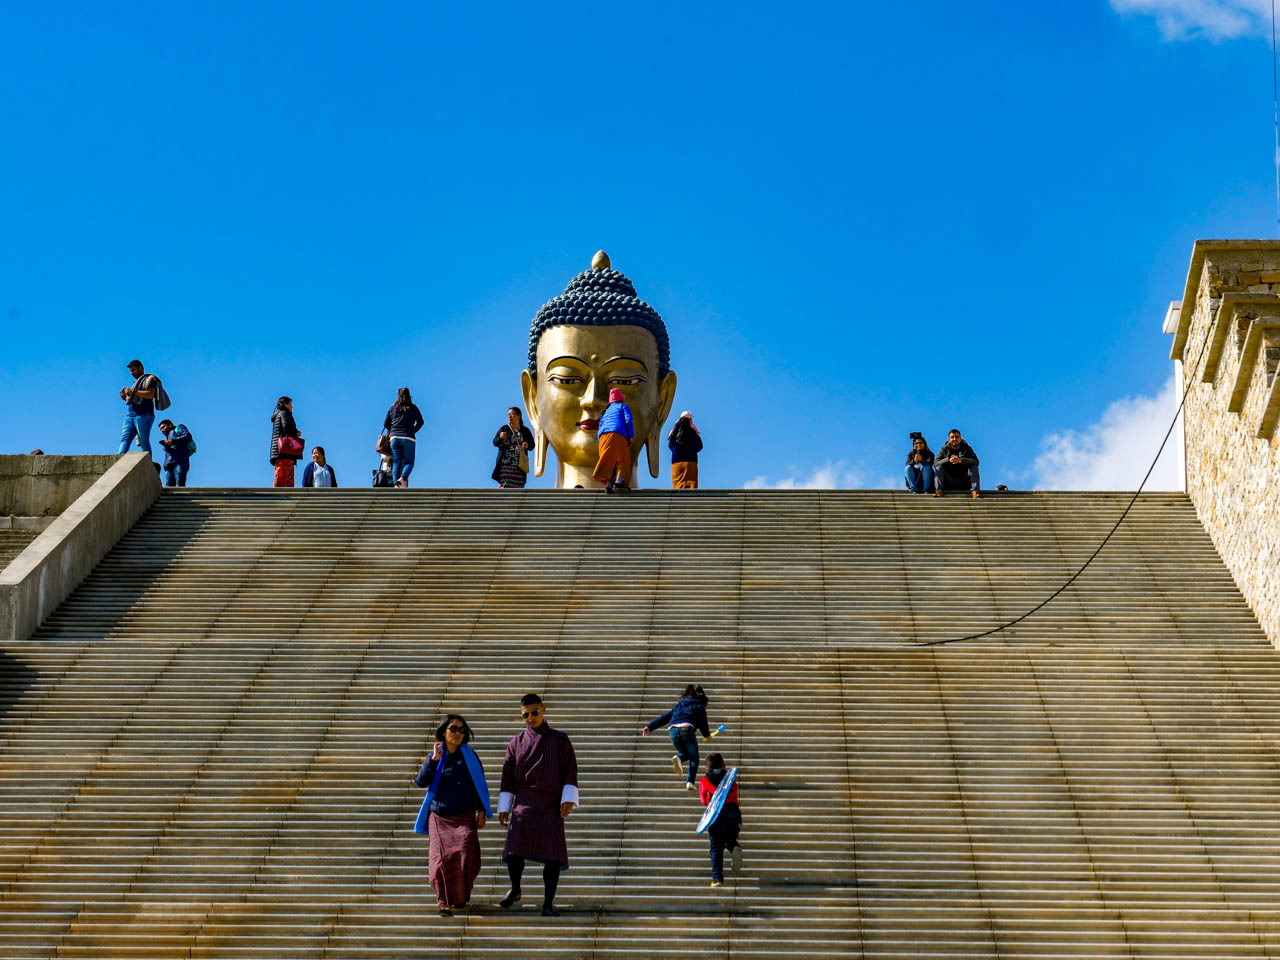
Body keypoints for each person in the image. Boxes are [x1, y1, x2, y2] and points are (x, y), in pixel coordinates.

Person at [498, 693, 579, 917]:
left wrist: (568, 798)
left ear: (544, 710)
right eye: (526, 715)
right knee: (513, 850)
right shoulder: (516, 743)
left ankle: (548, 903)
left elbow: (570, 770)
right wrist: (504, 806)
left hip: (551, 803)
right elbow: (507, 777)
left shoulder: (559, 739)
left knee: (552, 856)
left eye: (534, 712)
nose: (530, 718)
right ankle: (515, 888)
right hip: (524, 802)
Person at [413, 714, 491, 917]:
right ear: (443, 731)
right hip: (440, 817)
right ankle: (444, 903)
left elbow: (479, 785)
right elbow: (420, 782)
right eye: (453, 729)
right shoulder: (436, 755)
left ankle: (460, 897)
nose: (458, 733)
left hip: (464, 816)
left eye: (462, 730)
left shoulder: (470, 757)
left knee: (466, 853)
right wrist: (433, 760)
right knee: (439, 861)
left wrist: (482, 810)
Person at [640, 684, 711, 790]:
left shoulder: (679, 705)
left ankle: (679, 757)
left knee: (686, 754)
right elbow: (703, 723)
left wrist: (650, 727)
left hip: (672, 730)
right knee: (694, 757)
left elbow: (665, 717)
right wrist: (707, 735)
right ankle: (690, 782)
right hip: (686, 729)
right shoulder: (698, 705)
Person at [698, 753, 743, 887]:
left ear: (706, 768)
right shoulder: (730, 779)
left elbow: (704, 800)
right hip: (733, 812)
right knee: (729, 838)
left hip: (716, 814)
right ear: (723, 766)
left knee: (716, 847)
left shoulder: (704, 781)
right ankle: (734, 847)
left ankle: (717, 879)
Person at [593, 388, 634, 493]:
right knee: (623, 459)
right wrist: (630, 435)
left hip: (603, 437)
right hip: (618, 433)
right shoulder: (623, 406)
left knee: (610, 459)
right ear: (620, 399)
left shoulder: (605, 411)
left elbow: (600, 426)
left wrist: (600, 440)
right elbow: (628, 420)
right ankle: (619, 480)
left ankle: (609, 485)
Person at [384, 387, 425, 488]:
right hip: (408, 438)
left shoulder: (393, 408)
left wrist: (392, 431)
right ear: (409, 395)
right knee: (409, 462)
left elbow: (385, 423)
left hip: (394, 438)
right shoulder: (413, 408)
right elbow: (421, 422)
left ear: (398, 396)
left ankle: (396, 484)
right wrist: (413, 430)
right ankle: (403, 478)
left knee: (396, 462)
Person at [118, 359, 159, 455]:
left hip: (144, 415)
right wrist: (125, 397)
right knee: (125, 438)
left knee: (143, 439)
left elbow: (150, 394)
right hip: (131, 415)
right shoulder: (135, 383)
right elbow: (135, 398)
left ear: (140, 368)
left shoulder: (149, 379)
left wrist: (133, 392)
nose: (131, 373)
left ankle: (147, 461)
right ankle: (118, 459)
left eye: (133, 370)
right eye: (130, 371)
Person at [492, 407, 535, 488]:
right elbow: (495, 442)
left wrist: (527, 445)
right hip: (506, 464)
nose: (509, 416)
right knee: (505, 486)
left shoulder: (525, 430)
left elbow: (532, 445)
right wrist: (500, 438)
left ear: (519, 416)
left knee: (518, 487)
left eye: (512, 414)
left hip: (520, 465)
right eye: (508, 414)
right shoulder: (504, 428)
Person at [934, 428, 981, 499]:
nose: (954, 439)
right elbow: (936, 463)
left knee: (974, 467)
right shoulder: (944, 449)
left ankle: (975, 491)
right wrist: (948, 460)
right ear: (949, 439)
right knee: (938, 467)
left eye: (956, 437)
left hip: (964, 480)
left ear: (960, 438)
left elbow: (976, 462)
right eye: (952, 437)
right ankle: (939, 492)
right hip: (949, 480)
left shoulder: (967, 448)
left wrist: (961, 460)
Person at [269, 396, 302, 488]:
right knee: (285, 477)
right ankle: (283, 495)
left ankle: (279, 494)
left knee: (280, 475)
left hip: (279, 451)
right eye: (290, 404)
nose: (292, 407)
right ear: (285, 404)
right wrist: (296, 432)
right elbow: (286, 428)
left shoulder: (279, 414)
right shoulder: (284, 413)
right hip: (284, 452)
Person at [668, 411, 703, 489]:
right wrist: (691, 450)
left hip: (676, 463)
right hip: (691, 462)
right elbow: (700, 446)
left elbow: (670, 445)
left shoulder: (674, 432)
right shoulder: (693, 432)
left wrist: (677, 452)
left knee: (678, 487)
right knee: (691, 487)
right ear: (689, 420)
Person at [156, 420, 192, 487]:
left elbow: (188, 436)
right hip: (168, 466)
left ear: (170, 425)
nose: (162, 430)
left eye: (163, 427)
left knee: (180, 486)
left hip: (180, 462)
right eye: (160, 429)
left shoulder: (179, 428)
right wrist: (166, 446)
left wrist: (172, 441)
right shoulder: (168, 437)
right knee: (168, 488)